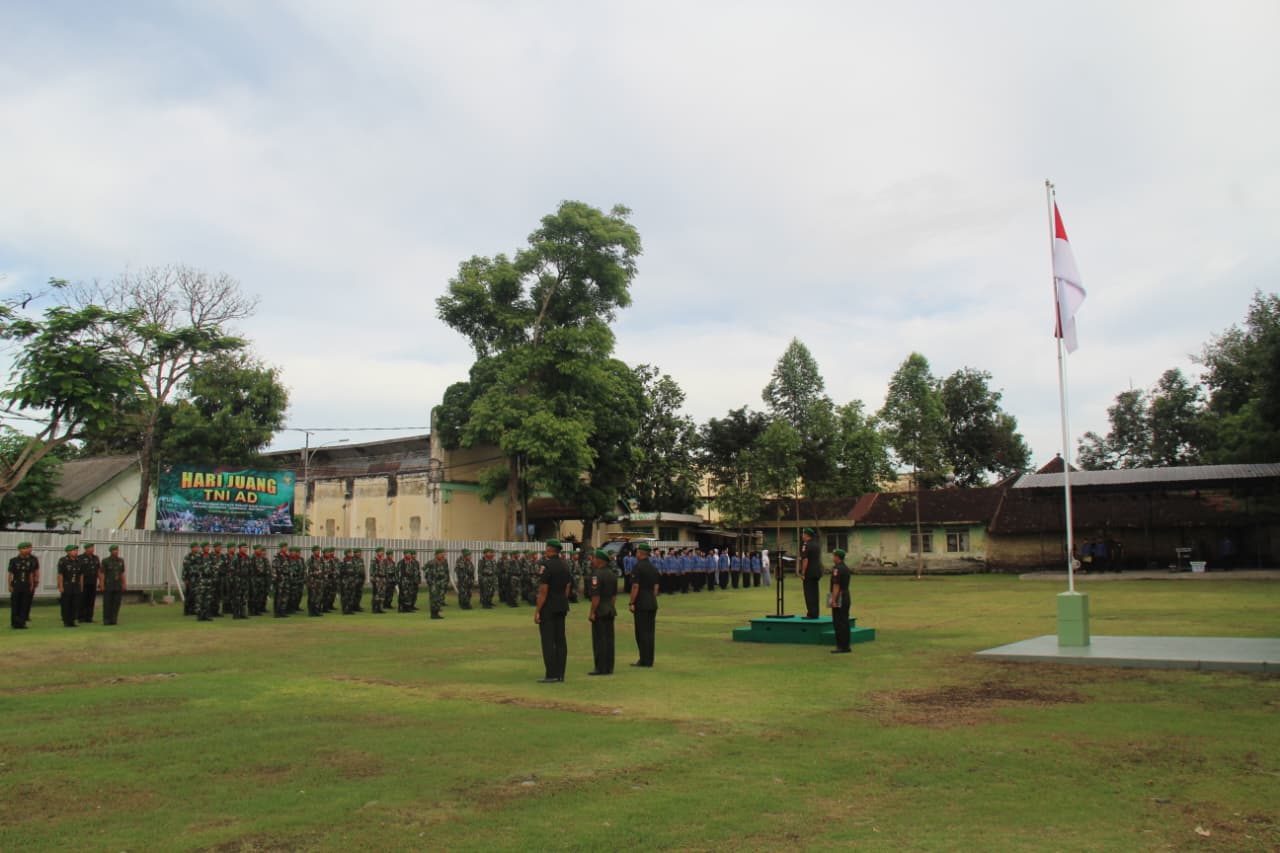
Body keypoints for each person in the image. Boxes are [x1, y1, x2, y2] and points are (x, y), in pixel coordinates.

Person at [534, 538, 572, 683]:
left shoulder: (546, 565)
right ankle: (561, 673)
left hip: (549, 607)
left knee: (548, 640)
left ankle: (551, 674)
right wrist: (562, 600)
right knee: (561, 640)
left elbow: (543, 591)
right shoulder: (565, 565)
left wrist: (538, 610)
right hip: (561, 605)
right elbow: (568, 586)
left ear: (550, 549)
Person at [629, 541, 660, 667]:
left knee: (641, 632)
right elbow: (656, 587)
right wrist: (652, 598)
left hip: (641, 602)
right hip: (651, 602)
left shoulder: (638, 567)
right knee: (650, 632)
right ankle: (649, 659)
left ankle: (643, 659)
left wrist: (631, 602)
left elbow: (635, 586)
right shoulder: (653, 567)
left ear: (640, 553)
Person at [587, 548, 618, 676]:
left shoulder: (596, 575)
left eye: (594, 558)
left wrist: (592, 612)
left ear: (599, 560)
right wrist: (610, 606)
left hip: (600, 610)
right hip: (610, 609)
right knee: (609, 640)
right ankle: (609, 667)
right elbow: (614, 596)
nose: (592, 560)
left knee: (600, 640)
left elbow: (596, 597)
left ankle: (600, 667)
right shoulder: (612, 574)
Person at [8, 541, 39, 629]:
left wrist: (32, 584)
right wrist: (10, 585)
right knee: (15, 604)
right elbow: (10, 574)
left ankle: (22, 622)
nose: (26, 550)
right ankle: (14, 622)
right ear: (19, 550)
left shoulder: (30, 561)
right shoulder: (13, 560)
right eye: (24, 548)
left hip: (26, 584)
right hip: (17, 584)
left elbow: (31, 574)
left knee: (24, 604)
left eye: (27, 548)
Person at [828, 548, 852, 654]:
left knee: (838, 622)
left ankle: (841, 646)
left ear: (837, 557)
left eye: (834, 555)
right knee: (845, 621)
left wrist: (833, 600)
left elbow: (836, 585)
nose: (832, 557)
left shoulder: (837, 569)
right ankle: (846, 645)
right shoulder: (845, 568)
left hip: (839, 596)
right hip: (846, 594)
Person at [99, 545, 126, 626]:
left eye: (117, 550)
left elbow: (122, 573)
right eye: (114, 550)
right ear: (111, 551)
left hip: (118, 585)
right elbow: (102, 573)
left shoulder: (121, 561)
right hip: (108, 585)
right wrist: (102, 584)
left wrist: (124, 583)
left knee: (116, 603)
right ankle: (106, 620)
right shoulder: (105, 561)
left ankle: (114, 619)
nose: (116, 552)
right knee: (107, 603)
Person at [57, 544, 83, 627]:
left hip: (76, 584)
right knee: (66, 603)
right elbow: (60, 574)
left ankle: (72, 620)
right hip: (67, 584)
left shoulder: (79, 561)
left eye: (76, 550)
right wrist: (60, 586)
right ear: (68, 552)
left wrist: (81, 586)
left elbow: (81, 574)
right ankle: (66, 620)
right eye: (73, 550)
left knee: (75, 603)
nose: (75, 552)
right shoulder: (63, 560)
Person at [799, 528, 822, 619]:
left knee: (809, 593)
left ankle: (811, 614)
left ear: (807, 535)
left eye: (803, 534)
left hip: (809, 572)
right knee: (815, 593)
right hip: (817, 571)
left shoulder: (806, 545)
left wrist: (803, 572)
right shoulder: (816, 545)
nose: (802, 536)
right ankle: (815, 612)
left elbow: (805, 559)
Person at [77, 543, 101, 623]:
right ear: (86, 549)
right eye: (90, 548)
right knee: (82, 600)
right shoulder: (80, 558)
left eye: (93, 548)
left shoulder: (95, 558)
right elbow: (80, 572)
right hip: (84, 582)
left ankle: (89, 617)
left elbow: (98, 571)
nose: (92, 549)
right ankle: (81, 617)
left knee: (91, 600)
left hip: (92, 582)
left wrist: (100, 581)